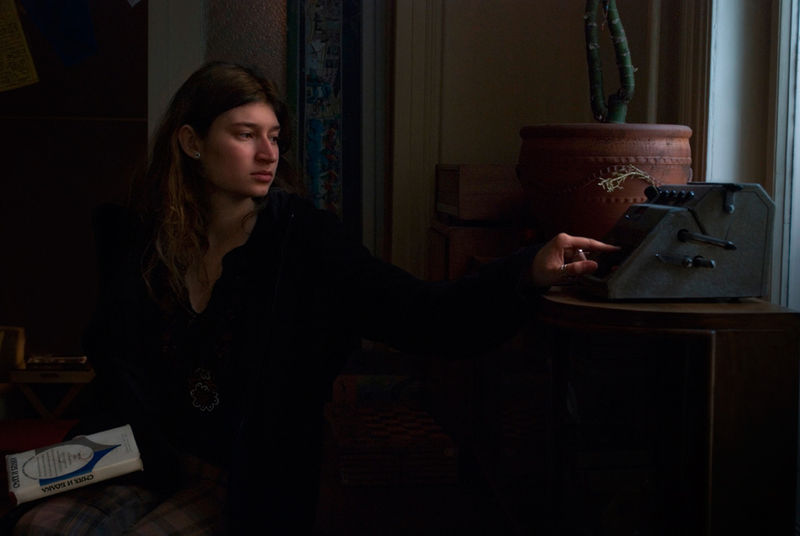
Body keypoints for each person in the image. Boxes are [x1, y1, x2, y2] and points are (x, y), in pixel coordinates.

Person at [9, 61, 616, 535]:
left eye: (274, 136)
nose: (269, 153)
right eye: (245, 135)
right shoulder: (145, 243)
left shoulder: (304, 242)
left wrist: (525, 272)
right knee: (37, 525)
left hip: (239, 476)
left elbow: (423, 314)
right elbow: (116, 365)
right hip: (139, 456)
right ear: (191, 143)